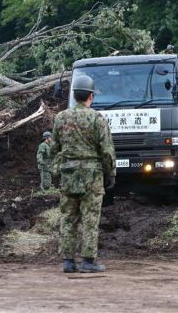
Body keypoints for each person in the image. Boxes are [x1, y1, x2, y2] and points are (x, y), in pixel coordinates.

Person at [50, 75, 116, 273]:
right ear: (90, 96)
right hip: (92, 175)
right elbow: (106, 150)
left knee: (68, 217)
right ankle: (88, 261)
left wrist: (57, 168)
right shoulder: (97, 118)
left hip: (69, 174)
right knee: (90, 217)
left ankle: (68, 261)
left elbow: (54, 147)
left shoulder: (61, 118)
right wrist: (110, 172)